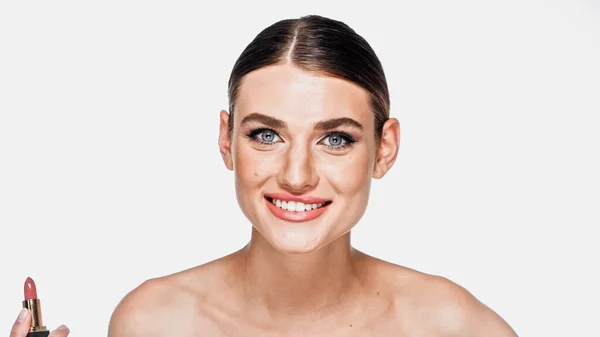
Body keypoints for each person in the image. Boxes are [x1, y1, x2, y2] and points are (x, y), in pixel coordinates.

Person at [9, 14, 517, 337]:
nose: (297, 176)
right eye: (266, 135)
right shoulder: (154, 322)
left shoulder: (454, 327)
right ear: (227, 140)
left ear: (385, 150)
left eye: (335, 139)